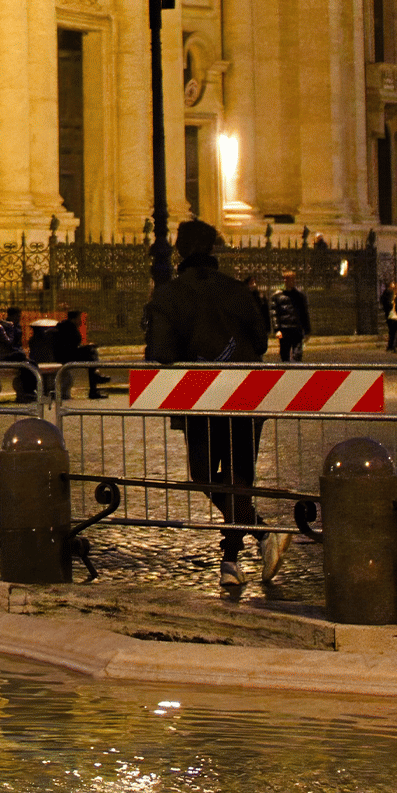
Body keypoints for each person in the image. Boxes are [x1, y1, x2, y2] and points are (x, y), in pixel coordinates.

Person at [143, 218, 277, 598]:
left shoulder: (168, 295)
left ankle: (232, 561)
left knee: (204, 475)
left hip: (199, 397)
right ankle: (260, 536)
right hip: (246, 392)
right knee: (238, 477)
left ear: (180, 250)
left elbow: (161, 353)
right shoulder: (237, 291)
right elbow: (261, 342)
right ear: (214, 249)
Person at [271, 270, 312, 363]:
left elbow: (304, 313)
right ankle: (286, 371)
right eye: (288, 279)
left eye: (292, 279)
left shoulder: (299, 296)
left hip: (296, 329)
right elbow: (274, 313)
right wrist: (277, 330)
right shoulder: (277, 296)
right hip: (284, 329)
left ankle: (295, 372)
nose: (290, 282)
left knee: (297, 354)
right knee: (284, 353)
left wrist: (307, 330)